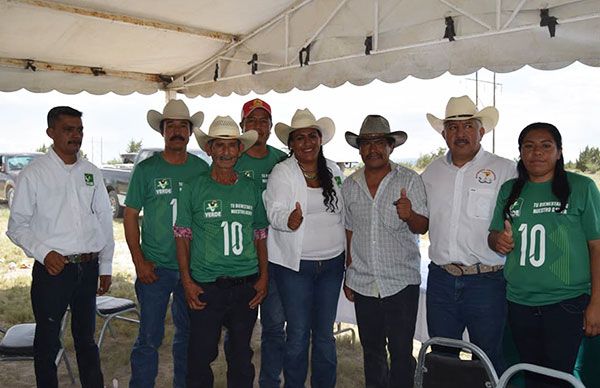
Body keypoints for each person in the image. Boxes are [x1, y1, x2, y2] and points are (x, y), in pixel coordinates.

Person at [7, 106, 114, 388]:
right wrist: (44, 253)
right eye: (68, 129)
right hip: (53, 271)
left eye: (79, 130)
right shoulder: (34, 174)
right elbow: (16, 226)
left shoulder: (91, 172)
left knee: (86, 340)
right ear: (50, 132)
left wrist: (106, 265)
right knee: (47, 341)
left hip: (88, 267)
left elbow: (104, 219)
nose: (76, 135)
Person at [488, 122, 600, 387]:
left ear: (559, 152)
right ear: (521, 153)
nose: (536, 152)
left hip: (566, 303)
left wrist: (596, 302)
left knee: (559, 378)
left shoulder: (582, 188)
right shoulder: (509, 190)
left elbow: (597, 247)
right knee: (532, 375)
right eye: (529, 146)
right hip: (519, 303)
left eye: (545, 145)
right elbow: (493, 236)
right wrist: (498, 241)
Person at [421, 96, 516, 373]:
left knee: (487, 361)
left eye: (467, 126)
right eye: (452, 127)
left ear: (481, 131)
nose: (460, 134)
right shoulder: (431, 173)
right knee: (442, 359)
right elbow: (422, 221)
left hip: (486, 282)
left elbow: (515, 219)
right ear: (444, 133)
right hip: (441, 280)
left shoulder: (505, 169)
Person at [174, 115, 267, 388]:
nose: (226, 152)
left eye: (232, 146)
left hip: (245, 286)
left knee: (241, 356)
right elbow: (182, 237)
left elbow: (260, 234)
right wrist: (187, 282)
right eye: (219, 145)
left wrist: (264, 277)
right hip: (206, 288)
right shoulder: (194, 187)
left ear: (240, 150)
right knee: (200, 356)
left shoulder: (250, 188)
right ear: (209, 149)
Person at [125, 99, 209, 388]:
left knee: (187, 336)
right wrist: (139, 261)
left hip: (193, 268)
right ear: (162, 131)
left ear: (189, 131)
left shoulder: (201, 168)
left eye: (182, 126)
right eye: (170, 125)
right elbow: (130, 215)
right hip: (156, 267)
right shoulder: (147, 169)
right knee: (149, 338)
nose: (176, 131)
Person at [342, 115, 428, 387]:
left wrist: (409, 214)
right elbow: (349, 230)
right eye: (366, 143)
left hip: (400, 282)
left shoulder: (410, 180)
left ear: (391, 147)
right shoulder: (350, 184)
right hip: (364, 281)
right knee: (372, 352)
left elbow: (422, 226)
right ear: (359, 148)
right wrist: (349, 271)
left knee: (402, 353)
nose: (373, 149)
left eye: (379, 142)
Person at [264, 108, 345, 388]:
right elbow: (272, 210)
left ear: (320, 139)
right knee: (298, 333)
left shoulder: (333, 169)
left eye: (312, 135)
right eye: (300, 137)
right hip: (296, 267)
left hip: (332, 265)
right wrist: (288, 220)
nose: (307, 142)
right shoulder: (282, 172)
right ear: (291, 144)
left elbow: (343, 212)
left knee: (324, 335)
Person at [235, 98, 287, 388]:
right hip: (240, 259)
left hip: (276, 256)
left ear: (270, 126)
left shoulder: (282, 160)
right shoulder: (231, 157)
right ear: (243, 126)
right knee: (239, 331)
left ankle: (270, 382)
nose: (258, 126)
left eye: (263, 121)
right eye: (252, 121)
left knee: (274, 328)